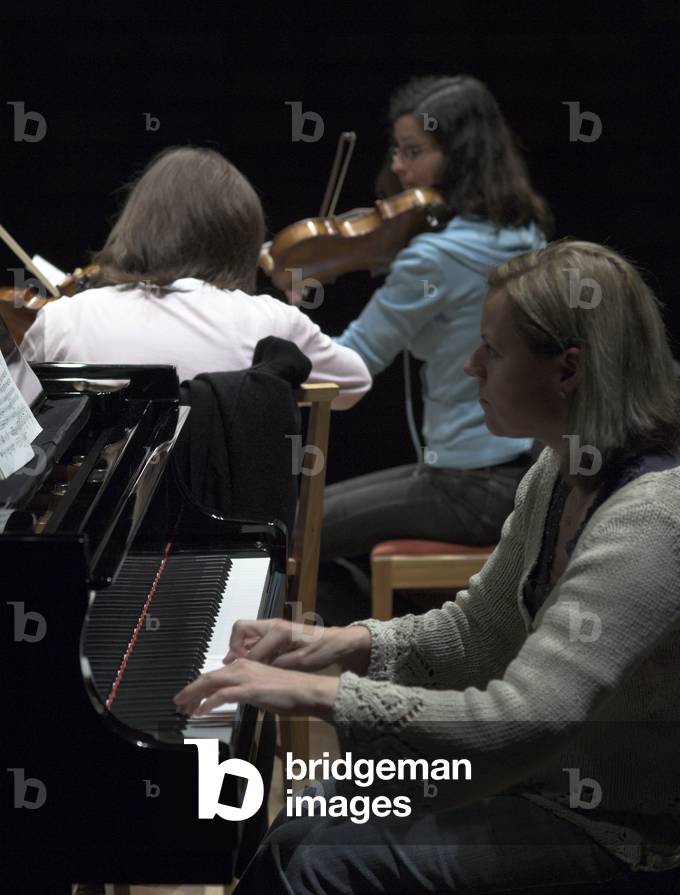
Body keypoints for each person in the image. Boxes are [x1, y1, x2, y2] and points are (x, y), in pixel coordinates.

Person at [175, 240, 680, 893]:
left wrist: (312, 693)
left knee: (323, 865)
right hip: (538, 785)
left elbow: (519, 720)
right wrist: (326, 644)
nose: (471, 365)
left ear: (567, 370)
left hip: (622, 832)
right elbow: (476, 632)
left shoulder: (650, 520)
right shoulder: (559, 469)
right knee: (305, 817)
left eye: (491, 351)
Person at [318, 74, 553, 624]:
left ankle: (384, 636)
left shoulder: (433, 257)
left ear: (461, 155)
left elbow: (350, 366)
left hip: (468, 487)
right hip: (529, 472)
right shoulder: (525, 233)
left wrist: (281, 319)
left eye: (414, 152)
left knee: (297, 531)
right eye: (397, 151)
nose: (398, 166)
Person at [19, 145, 371, 408]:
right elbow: (353, 383)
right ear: (240, 238)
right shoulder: (272, 322)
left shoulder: (62, 318)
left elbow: (13, 432)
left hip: (91, 508)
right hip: (231, 507)